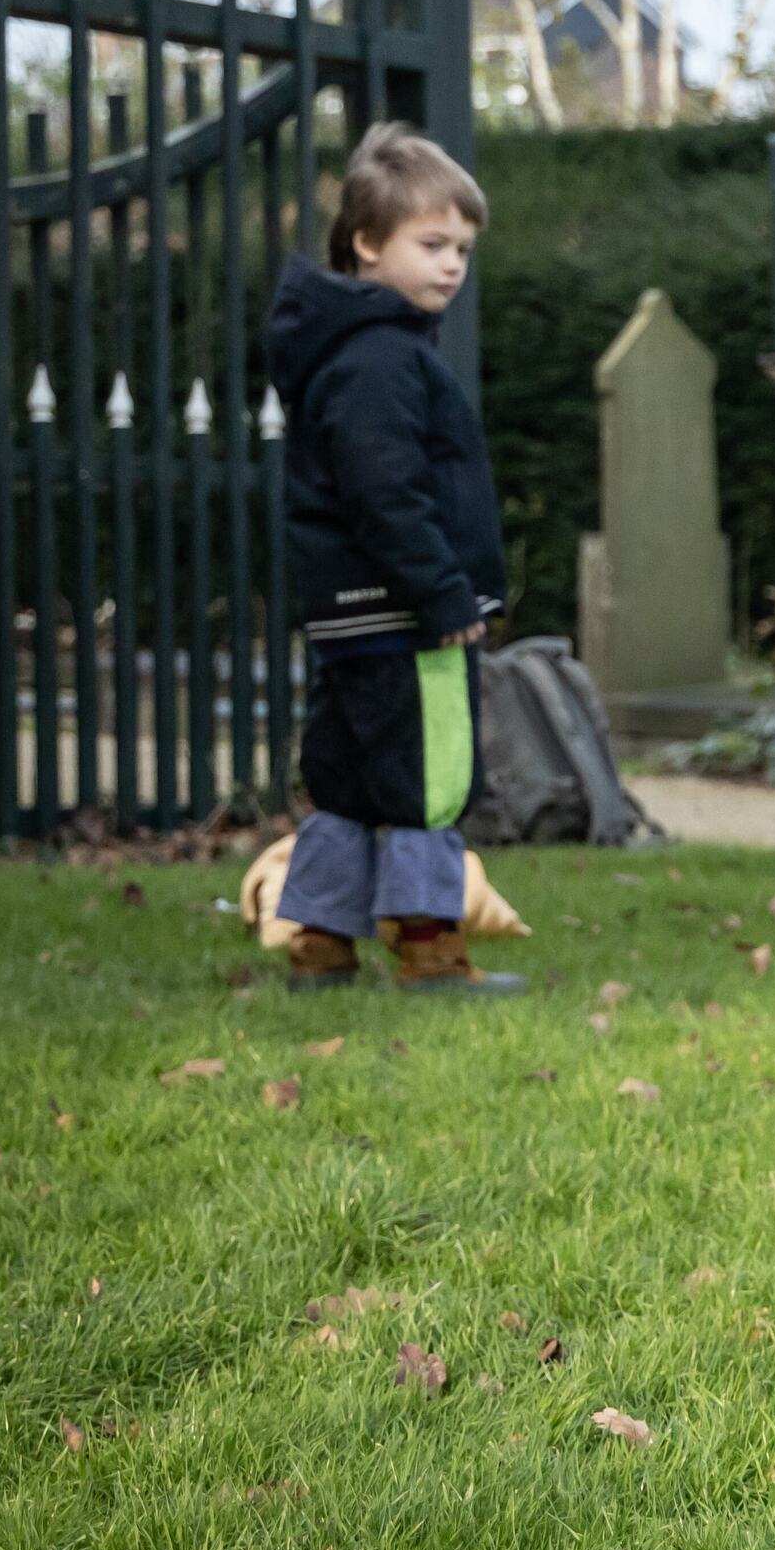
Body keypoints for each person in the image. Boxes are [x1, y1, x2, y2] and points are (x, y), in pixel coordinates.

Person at [264, 123, 523, 997]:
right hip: (407, 615)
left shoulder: (346, 350)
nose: (452, 266)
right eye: (432, 244)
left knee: (345, 779)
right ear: (368, 243)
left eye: (463, 250)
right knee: (430, 778)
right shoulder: (382, 358)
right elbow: (387, 492)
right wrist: (445, 594)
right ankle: (429, 950)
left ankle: (320, 944)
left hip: (351, 616)